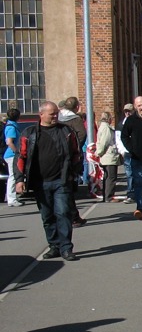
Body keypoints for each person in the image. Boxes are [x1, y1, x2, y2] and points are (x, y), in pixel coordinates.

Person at [13, 101, 81, 261]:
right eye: (52, 114)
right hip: (40, 182)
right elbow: (21, 157)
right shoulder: (29, 133)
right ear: (41, 114)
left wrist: (74, 172)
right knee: (47, 216)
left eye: (56, 113)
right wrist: (19, 180)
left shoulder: (65, 131)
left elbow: (76, 152)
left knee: (63, 212)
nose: (55, 116)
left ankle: (66, 248)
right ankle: (54, 246)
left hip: (61, 180)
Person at [58, 96, 88, 226]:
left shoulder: (58, 118)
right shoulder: (75, 119)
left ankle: (72, 215)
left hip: (57, 156)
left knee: (64, 187)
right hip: (69, 158)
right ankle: (72, 216)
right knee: (68, 188)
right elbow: (82, 134)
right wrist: (74, 148)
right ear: (76, 107)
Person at [95, 111, 121, 202]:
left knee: (107, 177)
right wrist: (99, 153)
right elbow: (104, 142)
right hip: (108, 156)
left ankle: (106, 195)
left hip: (106, 156)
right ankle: (109, 196)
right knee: (111, 177)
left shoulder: (102, 127)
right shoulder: (106, 128)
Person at [4, 104, 23, 206]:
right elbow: (9, 142)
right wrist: (17, 152)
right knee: (13, 176)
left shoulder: (11, 125)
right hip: (11, 155)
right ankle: (11, 199)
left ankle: (10, 197)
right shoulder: (11, 127)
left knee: (12, 176)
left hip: (10, 154)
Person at [116, 103, 135, 203]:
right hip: (127, 153)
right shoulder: (120, 125)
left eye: (129, 111)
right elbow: (118, 139)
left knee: (140, 173)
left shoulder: (138, 122)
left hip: (138, 152)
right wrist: (122, 151)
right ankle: (131, 194)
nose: (127, 113)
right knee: (129, 174)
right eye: (126, 111)